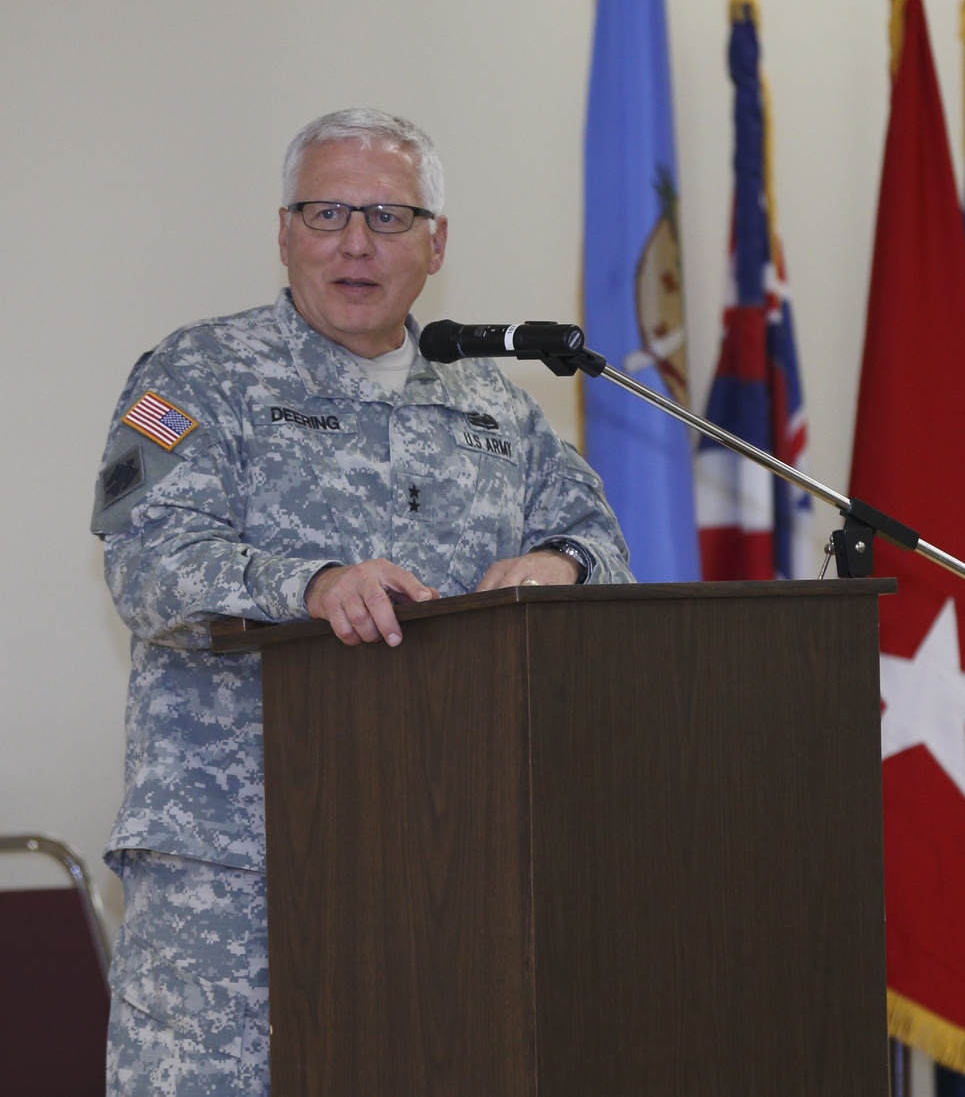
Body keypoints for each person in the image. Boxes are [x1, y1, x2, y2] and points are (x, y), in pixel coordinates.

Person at [92, 108, 633, 1095]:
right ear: (284, 230)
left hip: (448, 862)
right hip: (238, 870)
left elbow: (598, 542)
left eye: (387, 216)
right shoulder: (197, 376)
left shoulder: (494, 402)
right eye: (326, 211)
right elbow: (147, 558)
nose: (353, 242)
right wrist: (306, 584)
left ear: (436, 243)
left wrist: (559, 564)